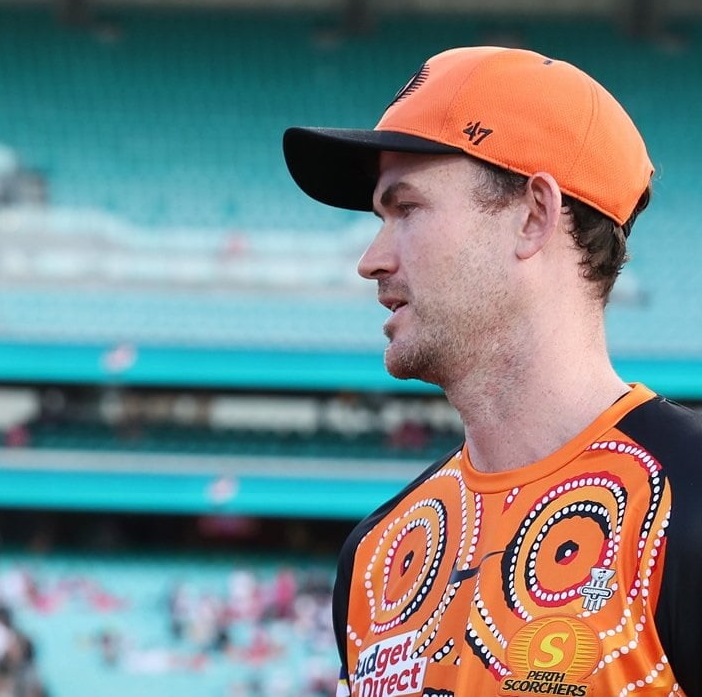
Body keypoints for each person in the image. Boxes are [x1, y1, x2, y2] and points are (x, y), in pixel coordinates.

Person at [282, 46, 702, 696]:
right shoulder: (376, 555)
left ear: (534, 215)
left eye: (407, 208)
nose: (370, 259)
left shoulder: (687, 505)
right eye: (379, 218)